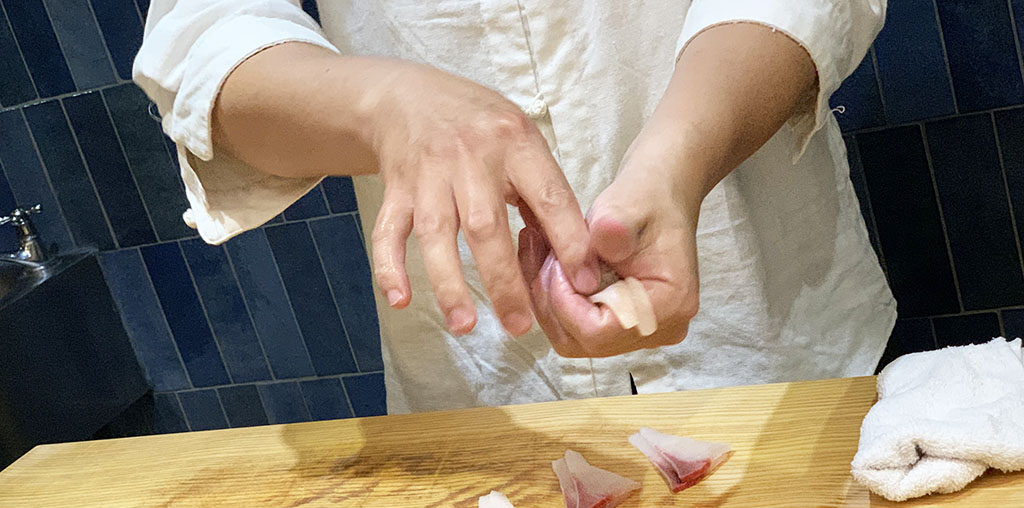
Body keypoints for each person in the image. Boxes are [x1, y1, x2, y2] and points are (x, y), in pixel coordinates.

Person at [135, 1, 896, 413]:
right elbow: (203, 35)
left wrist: (680, 159)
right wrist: (381, 103)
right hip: (482, 404)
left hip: (777, 351)